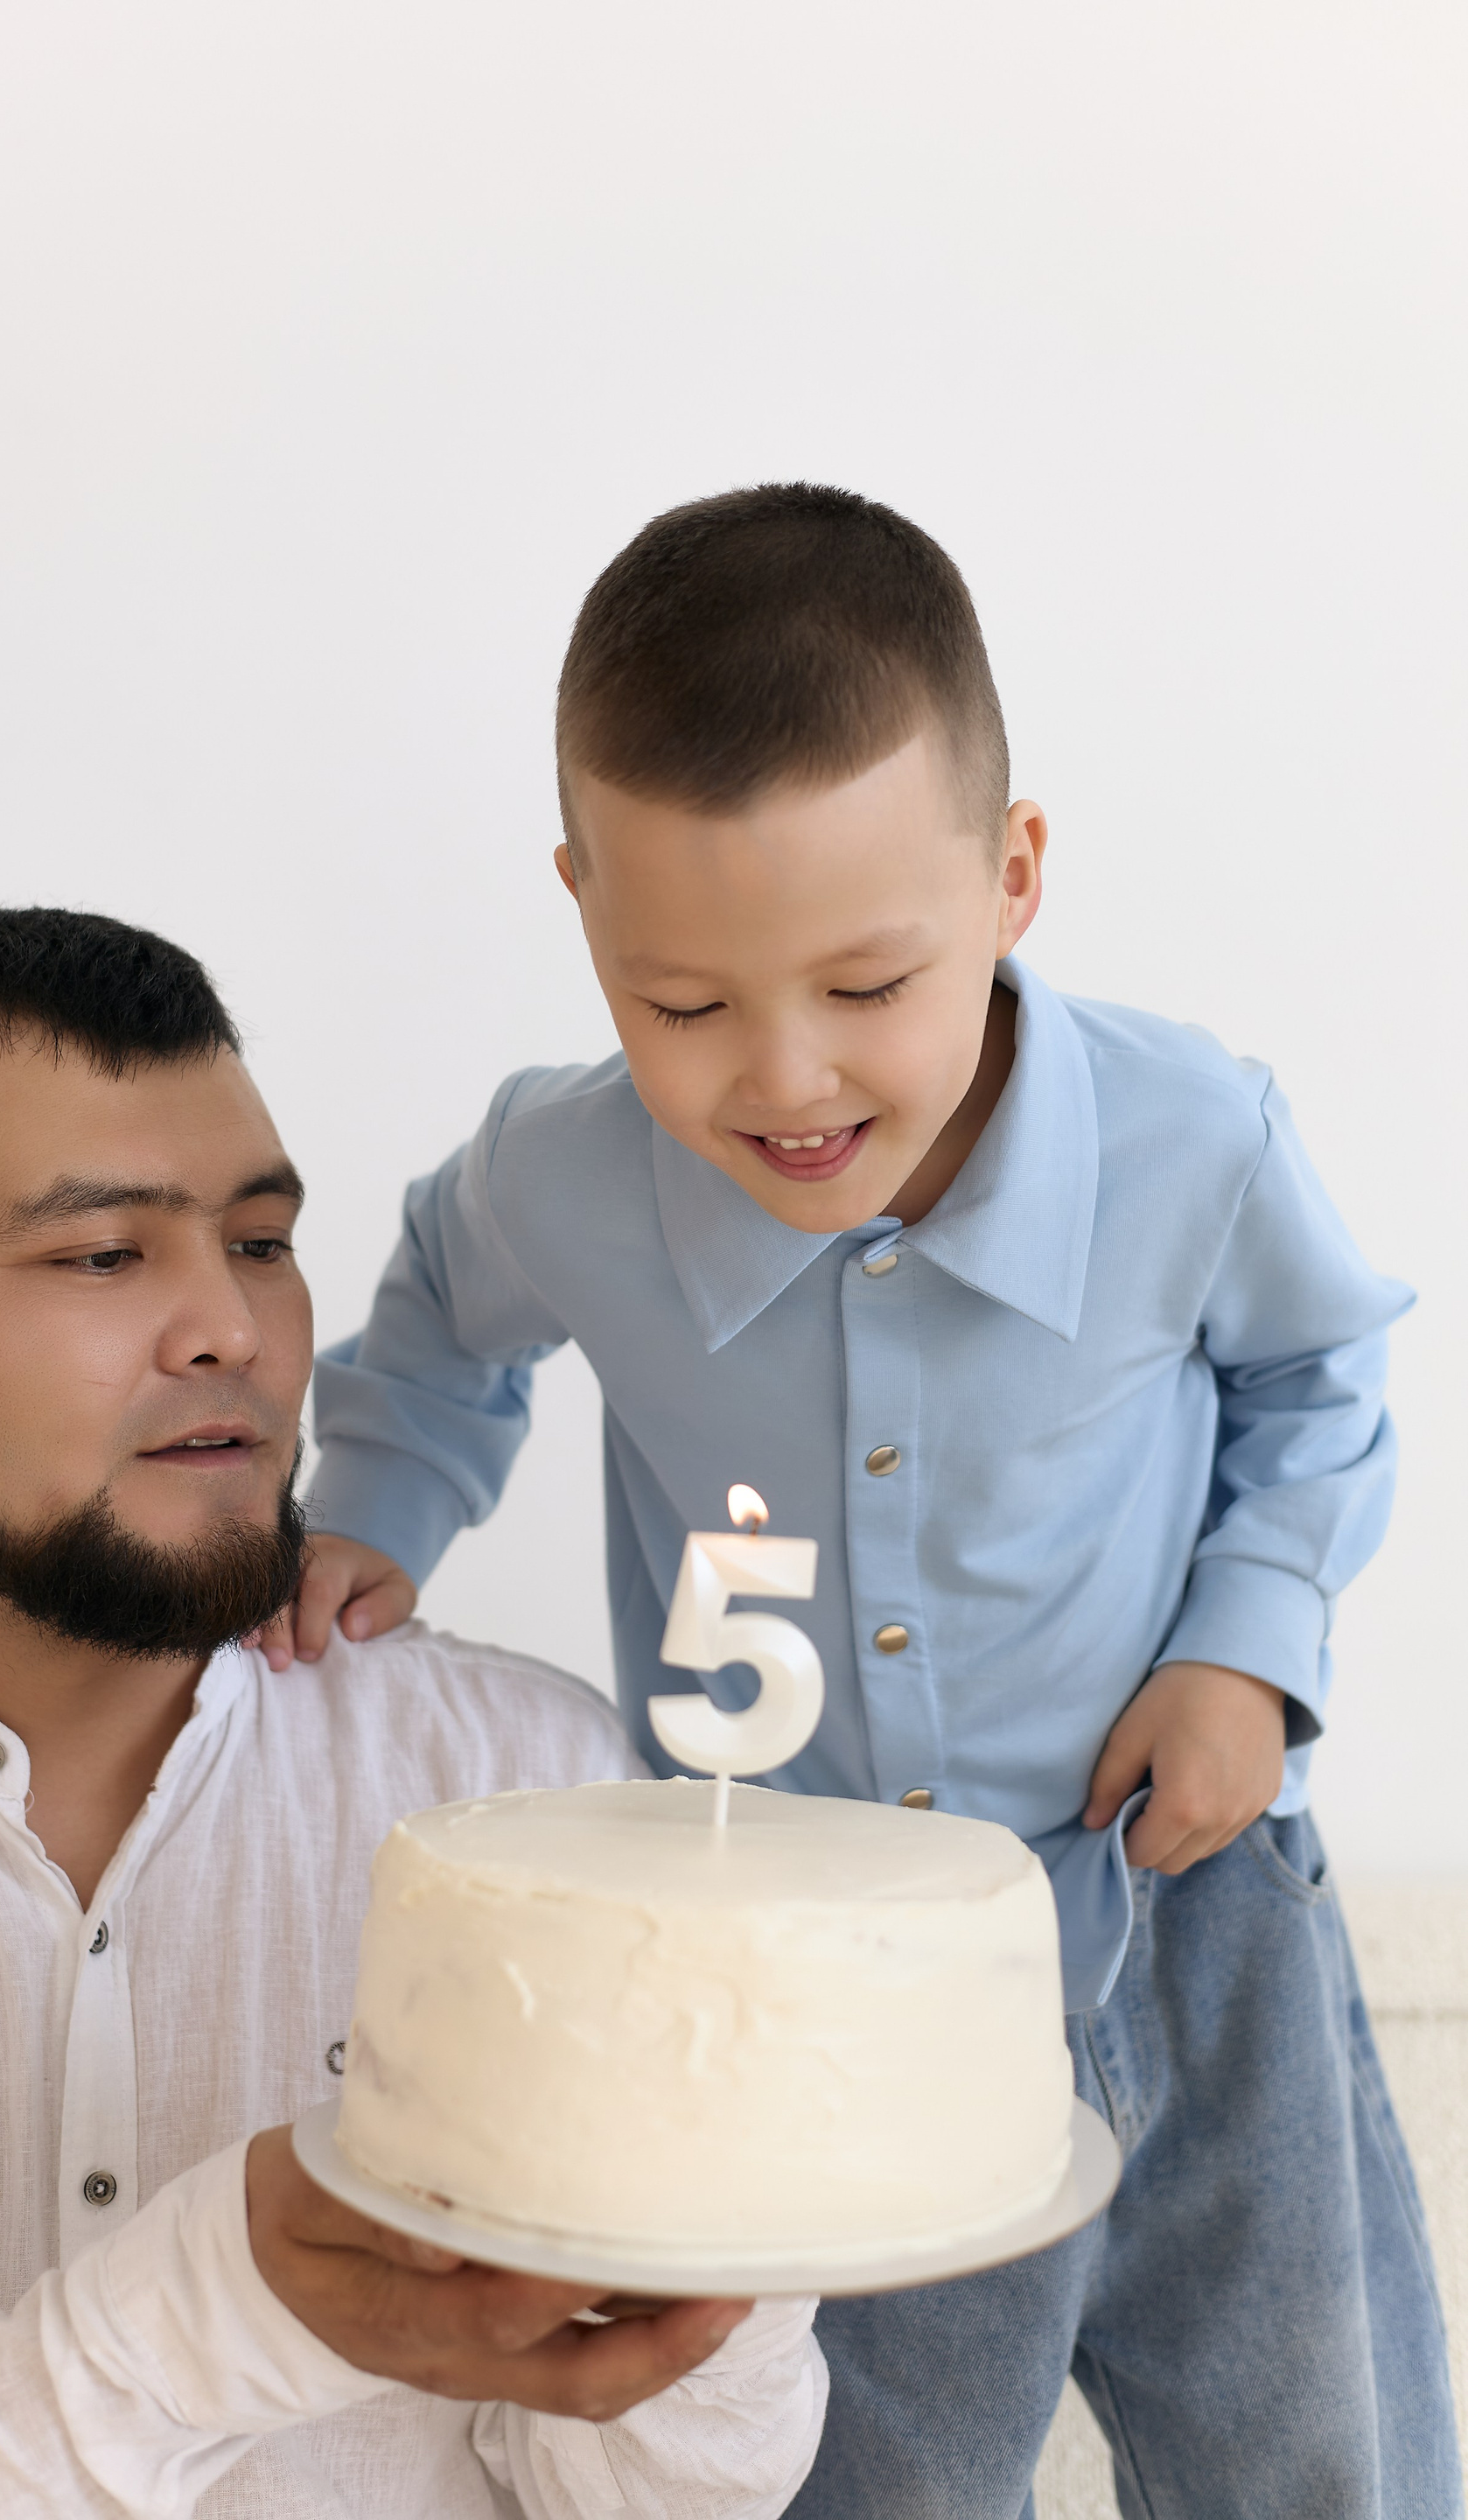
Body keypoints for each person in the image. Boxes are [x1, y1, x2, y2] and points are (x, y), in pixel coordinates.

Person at [287, 486, 1463, 2518]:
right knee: (866, 2471)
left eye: (866, 985)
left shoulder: (1191, 1138)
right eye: (682, 1005)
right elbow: (441, 1324)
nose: (786, 1078)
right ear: (582, 907)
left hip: (1182, 1903)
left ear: (1012, 878)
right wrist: (382, 1501)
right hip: (807, 1970)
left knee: (1300, 2438)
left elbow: (1316, 1379)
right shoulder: (559, 1177)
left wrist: (1245, 1654)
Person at [0, 906, 826, 2519]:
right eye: (103, 1254)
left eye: (261, 1241)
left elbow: (668, 2498)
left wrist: (724, 2270)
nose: (236, 1329)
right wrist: (212, 2319)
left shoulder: (530, 1791)